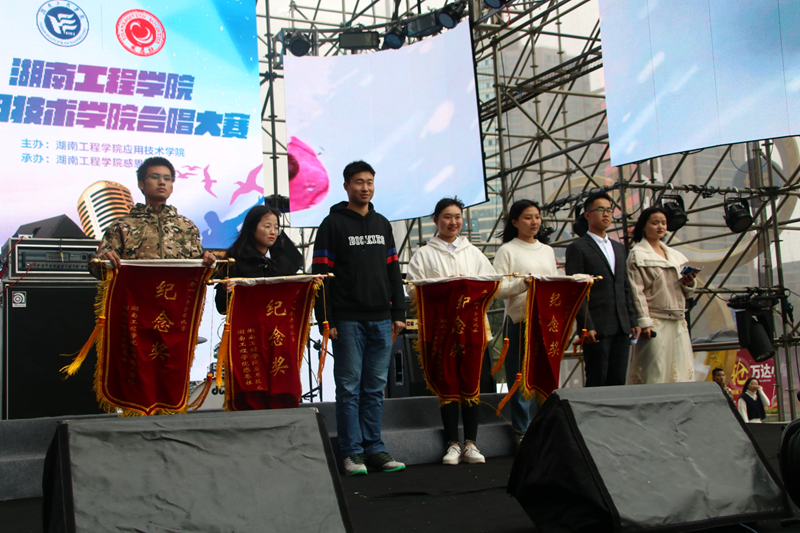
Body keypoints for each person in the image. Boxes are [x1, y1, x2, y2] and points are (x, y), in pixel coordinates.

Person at [312, 160, 406, 476]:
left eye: (369, 182)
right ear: (346, 186)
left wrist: (398, 312)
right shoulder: (332, 224)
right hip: (347, 319)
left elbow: (393, 270)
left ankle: (375, 448)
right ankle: (352, 452)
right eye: (358, 182)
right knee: (349, 387)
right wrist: (326, 320)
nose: (365, 188)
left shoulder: (382, 223)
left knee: (375, 387)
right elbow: (321, 275)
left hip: (382, 318)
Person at [407, 197, 497, 465]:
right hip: (441, 331)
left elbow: (491, 284)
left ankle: (471, 443)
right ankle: (452, 444)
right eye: (447, 216)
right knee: (447, 384)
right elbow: (412, 288)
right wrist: (445, 288)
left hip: (472, 331)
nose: (453, 222)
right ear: (436, 220)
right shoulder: (424, 254)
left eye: (457, 216)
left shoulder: (473, 252)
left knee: (471, 383)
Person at [493, 200, 558, 438]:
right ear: (515, 222)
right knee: (519, 376)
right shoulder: (507, 250)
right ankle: (522, 431)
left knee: (544, 375)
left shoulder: (547, 250)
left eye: (537, 217)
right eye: (528, 217)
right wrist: (524, 284)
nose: (534, 222)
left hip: (546, 322)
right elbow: (498, 290)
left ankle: (547, 429)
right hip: (519, 321)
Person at [90, 156, 215, 277]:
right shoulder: (122, 226)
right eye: (155, 177)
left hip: (176, 291)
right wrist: (102, 259)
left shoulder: (187, 226)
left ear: (172, 187)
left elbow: (198, 270)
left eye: (167, 178)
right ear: (141, 184)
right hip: (135, 291)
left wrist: (208, 259)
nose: (162, 182)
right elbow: (98, 270)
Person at [565, 191, 639, 387]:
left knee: (618, 380)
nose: (606, 214)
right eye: (600, 210)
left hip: (621, 324)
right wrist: (586, 325)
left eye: (609, 210)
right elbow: (577, 291)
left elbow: (625, 286)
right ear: (587, 215)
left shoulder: (619, 248)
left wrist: (632, 320)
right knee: (597, 378)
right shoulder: (578, 248)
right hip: (597, 326)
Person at [626, 207, 697, 384]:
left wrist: (688, 283)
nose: (660, 227)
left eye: (663, 223)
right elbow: (636, 291)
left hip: (678, 320)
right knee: (654, 372)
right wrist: (644, 322)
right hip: (655, 321)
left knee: (680, 372)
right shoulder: (637, 254)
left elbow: (682, 290)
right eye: (655, 222)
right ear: (644, 226)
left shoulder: (675, 255)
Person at [214, 205, 298, 315]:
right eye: (267, 226)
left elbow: (293, 301)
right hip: (247, 324)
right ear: (252, 228)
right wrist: (224, 291)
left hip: (277, 324)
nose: (273, 232)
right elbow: (222, 309)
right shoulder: (235, 262)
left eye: (276, 228)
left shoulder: (283, 263)